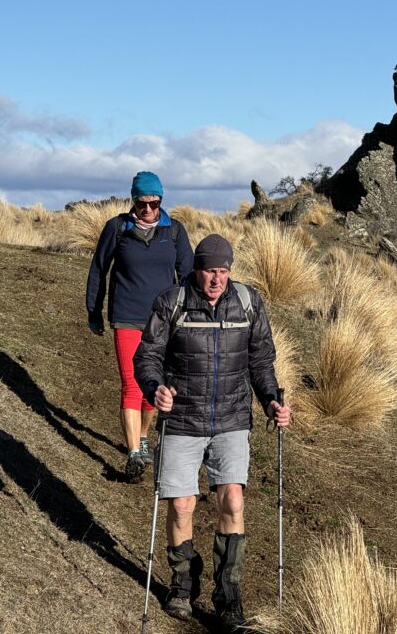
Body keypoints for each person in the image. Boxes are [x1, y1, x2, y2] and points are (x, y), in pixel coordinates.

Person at [134, 234, 291, 630]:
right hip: (183, 420)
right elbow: (147, 356)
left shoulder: (249, 303)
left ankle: (228, 593)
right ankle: (182, 582)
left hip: (232, 419)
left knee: (233, 502)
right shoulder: (172, 303)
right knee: (182, 505)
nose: (216, 279)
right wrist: (156, 389)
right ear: (196, 270)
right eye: (209, 271)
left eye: (223, 271)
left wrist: (271, 399)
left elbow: (261, 362)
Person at [85, 171, 193, 484]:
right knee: (131, 383)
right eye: (141, 203)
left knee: (153, 386)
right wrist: (94, 311)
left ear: (161, 200)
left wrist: (190, 317)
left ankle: (143, 436)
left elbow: (186, 275)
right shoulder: (117, 228)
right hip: (126, 317)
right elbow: (98, 270)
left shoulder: (174, 231)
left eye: (154, 202)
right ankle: (134, 453)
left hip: (163, 321)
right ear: (133, 200)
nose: (147, 209)